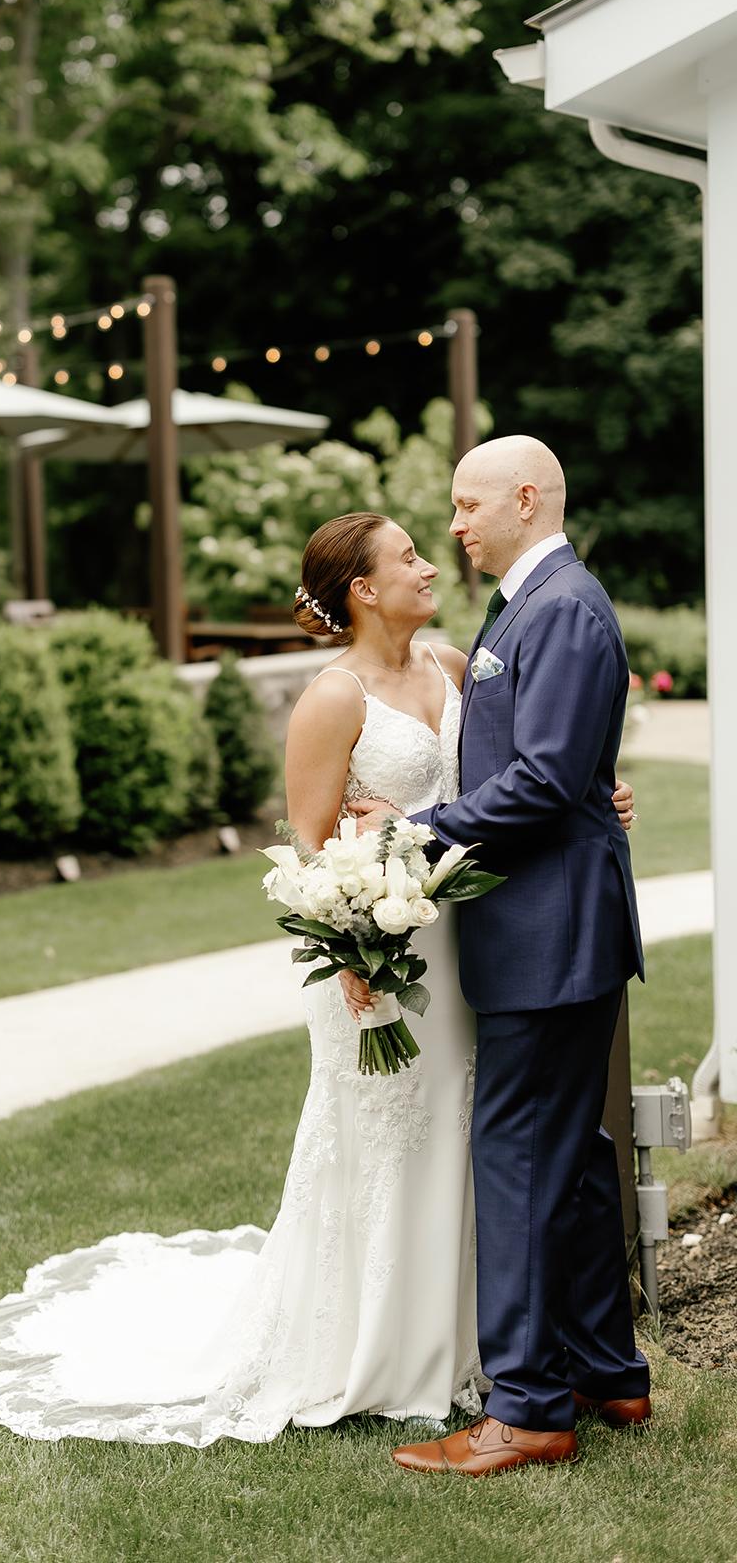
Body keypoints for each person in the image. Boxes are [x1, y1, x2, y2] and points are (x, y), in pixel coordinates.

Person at [0, 501, 636, 1444]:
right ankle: (371, 1345)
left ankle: (471, 1344)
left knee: (470, 1136)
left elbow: (518, 778)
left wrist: (595, 795)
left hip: (462, 935)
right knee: (387, 1139)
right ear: (364, 590)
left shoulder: (457, 666)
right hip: (373, 952)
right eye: (409, 557)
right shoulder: (333, 699)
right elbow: (307, 849)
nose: (430, 563)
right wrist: (349, 949)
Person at [350, 436, 650, 1478]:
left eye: (470, 504)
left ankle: (527, 1408)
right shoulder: (528, 603)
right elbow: (561, 771)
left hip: (549, 928)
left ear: (528, 498)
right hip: (549, 922)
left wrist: (413, 830)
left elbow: (539, 784)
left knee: (521, 1156)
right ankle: (609, 1372)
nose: (456, 525)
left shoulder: (561, 606)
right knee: (572, 1160)